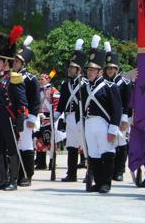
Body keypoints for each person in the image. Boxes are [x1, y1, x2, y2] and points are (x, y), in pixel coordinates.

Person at [0, 26, 28, 191]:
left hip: (9, 118)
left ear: (5, 62)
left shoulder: (15, 78)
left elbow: (21, 101)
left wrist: (20, 119)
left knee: (11, 149)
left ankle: (13, 180)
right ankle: (2, 179)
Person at [81, 35, 122, 193]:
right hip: (90, 123)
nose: (89, 72)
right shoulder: (85, 87)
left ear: (99, 71)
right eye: (88, 69)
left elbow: (116, 109)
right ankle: (97, 183)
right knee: (94, 155)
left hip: (104, 124)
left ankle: (106, 183)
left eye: (92, 70)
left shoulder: (110, 87)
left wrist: (113, 129)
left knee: (107, 154)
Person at [56, 38, 87, 182]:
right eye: (69, 67)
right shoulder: (65, 84)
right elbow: (62, 101)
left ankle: (90, 174)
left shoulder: (85, 84)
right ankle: (71, 174)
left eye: (72, 67)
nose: (69, 69)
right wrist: (57, 113)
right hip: (69, 118)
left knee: (87, 147)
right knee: (71, 147)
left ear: (79, 70)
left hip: (82, 118)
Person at [12, 35, 40, 187]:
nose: (14, 63)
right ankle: (16, 174)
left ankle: (27, 175)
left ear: (23, 63)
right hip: (14, 116)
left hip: (27, 116)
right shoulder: (12, 77)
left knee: (26, 145)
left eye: (17, 61)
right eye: (14, 61)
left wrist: (32, 119)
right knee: (16, 146)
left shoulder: (31, 79)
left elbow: (35, 101)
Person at [103, 41, 132, 182]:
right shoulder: (104, 83)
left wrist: (125, 119)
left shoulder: (125, 82)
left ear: (117, 68)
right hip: (108, 117)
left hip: (121, 117)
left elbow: (128, 102)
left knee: (121, 143)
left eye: (112, 68)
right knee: (110, 143)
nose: (110, 71)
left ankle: (120, 170)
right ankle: (111, 170)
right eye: (108, 68)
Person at [34, 73, 60, 170]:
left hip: (49, 118)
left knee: (49, 140)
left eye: (42, 79)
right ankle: (41, 163)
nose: (40, 81)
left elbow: (57, 105)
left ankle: (52, 162)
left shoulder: (53, 90)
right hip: (39, 117)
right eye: (39, 79)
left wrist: (53, 117)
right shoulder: (37, 90)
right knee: (39, 140)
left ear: (48, 80)